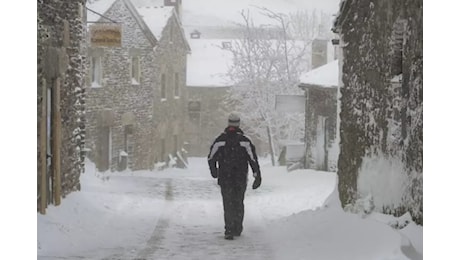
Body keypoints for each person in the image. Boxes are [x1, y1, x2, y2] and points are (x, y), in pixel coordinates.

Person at [207, 112, 262, 240]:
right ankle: (237, 227)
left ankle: (229, 229)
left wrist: (214, 171)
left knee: (228, 203)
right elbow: (253, 159)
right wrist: (257, 175)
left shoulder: (220, 140)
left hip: (225, 177)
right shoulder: (245, 141)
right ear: (238, 124)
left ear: (228, 123)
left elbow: (211, 157)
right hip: (240, 178)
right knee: (238, 202)